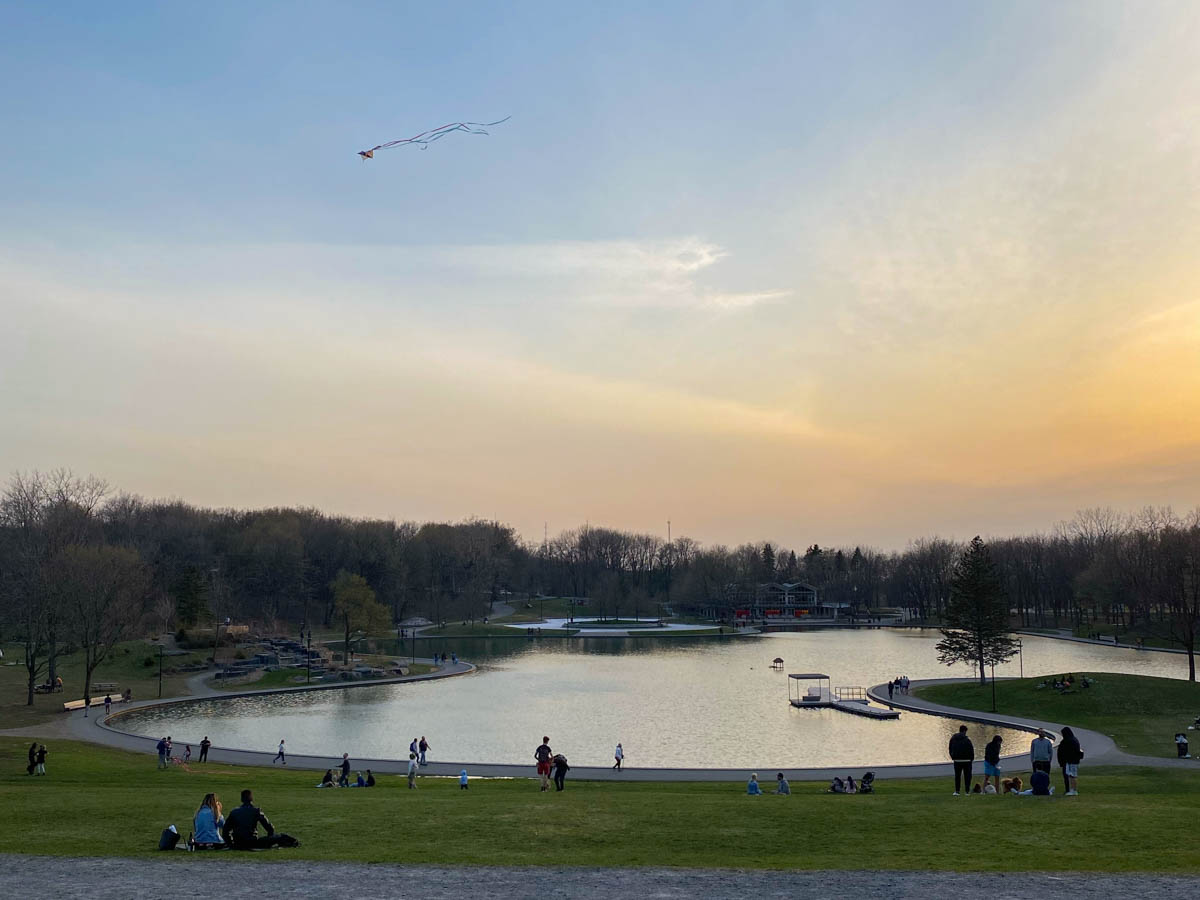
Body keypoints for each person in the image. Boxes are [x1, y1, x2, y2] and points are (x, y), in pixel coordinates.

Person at [221, 789, 291, 850]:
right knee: (279, 837)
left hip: (238, 842)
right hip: (252, 842)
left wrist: (231, 844)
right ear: (251, 799)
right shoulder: (256, 811)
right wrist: (270, 838)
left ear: (241, 799)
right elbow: (269, 828)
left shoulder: (234, 812)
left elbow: (225, 831)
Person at [948, 725, 975, 795]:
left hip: (957, 760)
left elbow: (950, 748)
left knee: (957, 776)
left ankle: (957, 791)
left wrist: (953, 757)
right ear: (965, 731)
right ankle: (967, 791)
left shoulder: (953, 738)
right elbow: (971, 750)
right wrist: (971, 759)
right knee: (967, 776)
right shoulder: (967, 740)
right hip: (967, 761)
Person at [1058, 726, 1083, 795]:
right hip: (1073, 761)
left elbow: (1068, 752)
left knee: (1072, 775)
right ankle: (1073, 789)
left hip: (1071, 761)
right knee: (1072, 775)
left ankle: (1073, 790)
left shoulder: (1068, 741)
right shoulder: (1074, 740)